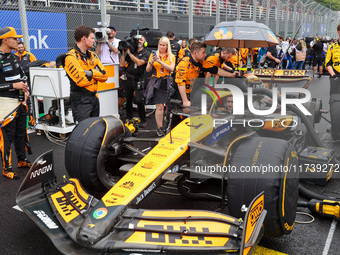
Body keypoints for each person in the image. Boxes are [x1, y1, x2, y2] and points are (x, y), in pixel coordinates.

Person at [0, 27, 31, 179]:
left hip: (20, 101)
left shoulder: (13, 57)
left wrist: (25, 90)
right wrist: (13, 86)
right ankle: (7, 168)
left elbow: (22, 76)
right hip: (5, 104)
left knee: (21, 133)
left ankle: (22, 160)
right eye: (14, 39)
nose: (18, 41)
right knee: (7, 137)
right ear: (5, 40)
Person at [64, 25, 108, 123]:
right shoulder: (71, 57)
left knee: (94, 129)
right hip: (80, 100)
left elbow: (105, 76)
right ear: (84, 38)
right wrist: (96, 76)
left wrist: (91, 73)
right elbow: (82, 81)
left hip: (94, 97)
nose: (94, 41)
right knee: (83, 131)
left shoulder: (93, 56)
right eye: (92, 38)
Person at [175, 42, 237, 108]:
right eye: (203, 53)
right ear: (195, 53)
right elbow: (180, 83)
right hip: (178, 95)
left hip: (189, 93)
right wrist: (185, 100)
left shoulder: (201, 63)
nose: (205, 55)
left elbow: (215, 70)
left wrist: (232, 75)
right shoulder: (184, 63)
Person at [145, 36, 175, 136]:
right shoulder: (153, 54)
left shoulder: (171, 56)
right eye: (160, 45)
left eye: (163, 45)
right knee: (160, 106)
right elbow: (148, 70)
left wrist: (160, 62)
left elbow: (171, 69)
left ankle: (167, 124)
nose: (161, 47)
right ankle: (159, 128)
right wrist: (151, 62)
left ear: (167, 46)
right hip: (157, 81)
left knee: (167, 106)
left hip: (166, 81)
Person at [120, 35, 150, 127]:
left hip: (139, 79)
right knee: (128, 99)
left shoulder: (146, 53)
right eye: (138, 40)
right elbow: (122, 64)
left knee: (139, 100)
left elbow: (139, 63)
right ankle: (129, 117)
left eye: (141, 40)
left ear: (145, 42)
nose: (139, 41)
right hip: (129, 79)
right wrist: (123, 52)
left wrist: (129, 54)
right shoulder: (132, 52)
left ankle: (143, 120)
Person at [325, 24, 340, 96]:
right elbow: (328, 63)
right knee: (334, 98)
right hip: (335, 75)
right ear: (338, 32)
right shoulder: (332, 47)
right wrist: (334, 75)